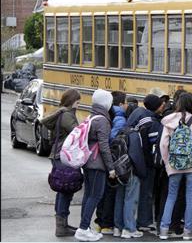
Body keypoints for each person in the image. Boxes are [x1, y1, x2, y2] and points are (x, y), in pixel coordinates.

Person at [158, 92, 192, 240]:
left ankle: (163, 229)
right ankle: (188, 231)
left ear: (178, 103)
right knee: (190, 198)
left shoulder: (169, 120)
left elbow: (163, 144)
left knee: (171, 196)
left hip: (174, 165)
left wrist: (168, 162)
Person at [74, 89, 116, 242]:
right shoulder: (103, 120)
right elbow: (104, 146)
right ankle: (83, 228)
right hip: (97, 164)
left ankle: (83, 227)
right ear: (106, 103)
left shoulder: (91, 117)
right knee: (95, 196)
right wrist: (111, 168)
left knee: (88, 196)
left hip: (88, 162)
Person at [41, 89, 81, 237]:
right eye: (77, 101)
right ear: (71, 101)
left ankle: (62, 224)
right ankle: (61, 227)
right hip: (64, 156)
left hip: (58, 154)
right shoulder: (67, 115)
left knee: (62, 190)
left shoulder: (62, 113)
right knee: (66, 191)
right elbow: (77, 133)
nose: (79, 103)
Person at [127, 94, 165, 232]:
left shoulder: (138, 113)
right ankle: (144, 221)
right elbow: (154, 143)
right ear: (156, 106)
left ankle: (133, 221)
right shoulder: (151, 122)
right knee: (146, 192)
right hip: (145, 161)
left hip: (134, 157)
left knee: (132, 192)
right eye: (161, 104)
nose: (163, 106)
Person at [113, 91, 147, 239]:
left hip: (120, 170)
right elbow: (136, 156)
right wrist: (142, 171)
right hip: (131, 171)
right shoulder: (134, 133)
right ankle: (129, 228)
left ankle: (117, 227)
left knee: (120, 198)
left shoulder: (121, 130)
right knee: (131, 199)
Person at [94, 91, 128, 235]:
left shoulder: (107, 115)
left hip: (102, 158)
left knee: (102, 193)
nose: (127, 105)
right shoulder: (120, 119)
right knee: (110, 192)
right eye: (125, 102)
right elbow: (113, 140)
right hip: (111, 159)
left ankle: (100, 221)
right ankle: (106, 223)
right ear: (120, 104)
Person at [155, 89, 188, 235]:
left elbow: (162, 142)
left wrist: (165, 161)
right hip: (184, 163)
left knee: (166, 194)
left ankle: (162, 224)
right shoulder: (191, 118)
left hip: (168, 162)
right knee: (179, 194)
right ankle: (176, 224)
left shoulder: (166, 117)